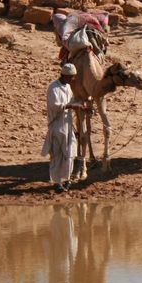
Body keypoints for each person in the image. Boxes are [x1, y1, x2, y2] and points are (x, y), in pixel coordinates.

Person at [42, 64, 82, 192]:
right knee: (57, 155)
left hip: (68, 126)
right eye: (71, 77)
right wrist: (71, 106)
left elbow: (72, 100)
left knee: (70, 153)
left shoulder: (68, 87)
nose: (72, 79)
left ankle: (67, 179)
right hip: (57, 125)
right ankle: (57, 182)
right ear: (64, 75)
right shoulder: (53, 88)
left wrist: (83, 106)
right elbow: (55, 106)